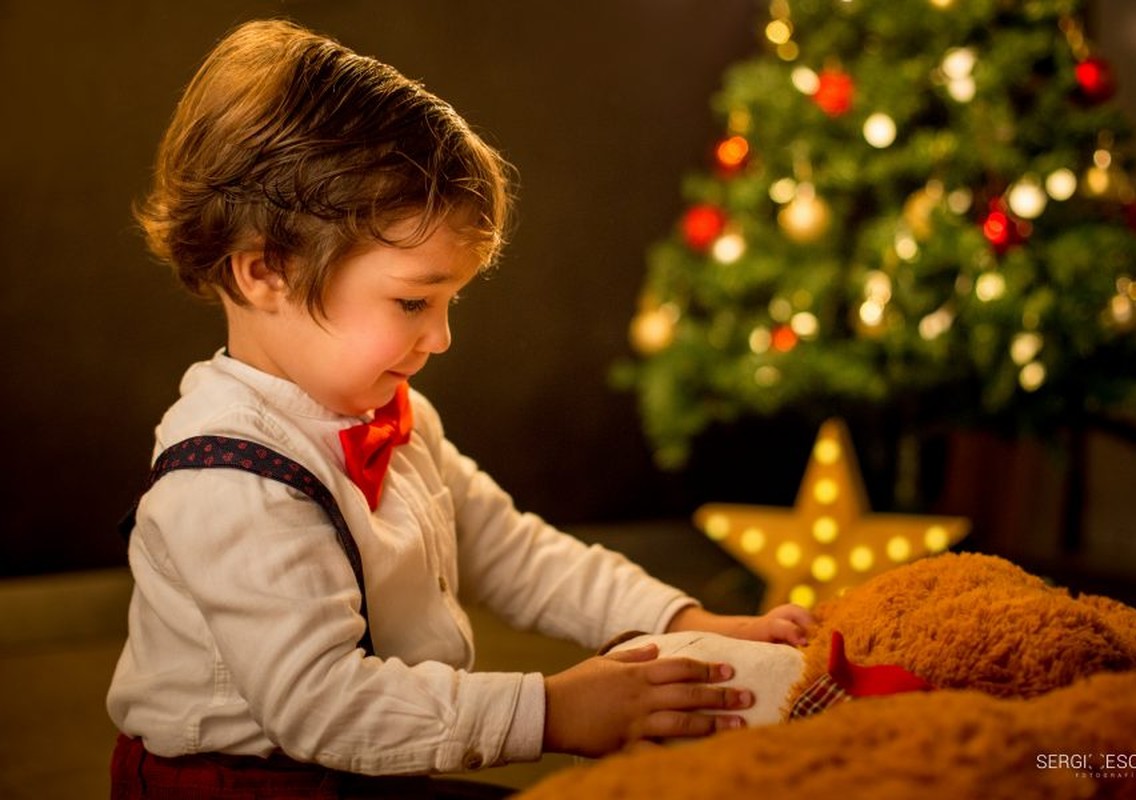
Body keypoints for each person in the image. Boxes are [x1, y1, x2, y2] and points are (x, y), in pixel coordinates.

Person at [107, 18, 812, 799]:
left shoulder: (388, 411)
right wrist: (550, 711)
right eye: (412, 302)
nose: (440, 338)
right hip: (248, 783)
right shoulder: (227, 481)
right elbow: (323, 706)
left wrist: (677, 622)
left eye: (448, 302)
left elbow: (511, 550)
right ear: (265, 273)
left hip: (385, 757)